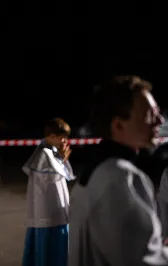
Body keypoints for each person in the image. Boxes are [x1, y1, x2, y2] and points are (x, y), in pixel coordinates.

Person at [69, 75, 168, 266]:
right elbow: (142, 260)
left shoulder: (100, 169)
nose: (160, 120)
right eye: (150, 114)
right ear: (118, 125)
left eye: (157, 112)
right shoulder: (120, 177)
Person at [21, 117, 75, 266]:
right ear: (52, 136)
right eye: (62, 137)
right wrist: (62, 159)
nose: (64, 141)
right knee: (48, 252)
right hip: (48, 212)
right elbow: (54, 176)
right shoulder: (44, 154)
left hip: (53, 211)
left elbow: (63, 174)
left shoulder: (51, 151)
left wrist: (61, 159)